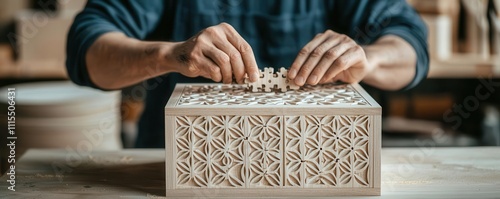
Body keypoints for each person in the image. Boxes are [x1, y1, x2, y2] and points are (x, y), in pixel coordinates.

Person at [66, 0, 428, 148]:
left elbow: (410, 43)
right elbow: (86, 50)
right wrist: (169, 54)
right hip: (177, 167)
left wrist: (370, 58)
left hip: (309, 164)